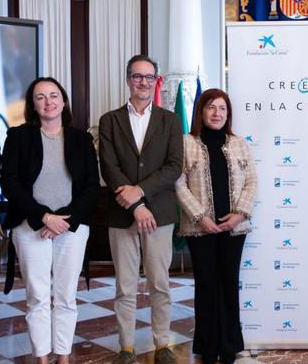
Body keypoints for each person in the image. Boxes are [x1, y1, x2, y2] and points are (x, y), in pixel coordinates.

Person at [0, 77, 98, 363]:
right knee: (38, 297)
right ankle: (42, 357)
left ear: (63, 101)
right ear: (33, 104)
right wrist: (43, 216)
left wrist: (64, 221)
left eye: (54, 95)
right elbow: (10, 183)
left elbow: (92, 185)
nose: (48, 102)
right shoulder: (18, 136)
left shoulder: (81, 139)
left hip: (71, 228)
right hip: (31, 226)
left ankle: (64, 355)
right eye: (40, 97)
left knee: (66, 296)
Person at [99, 55, 183, 364]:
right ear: (128, 80)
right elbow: (109, 167)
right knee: (125, 285)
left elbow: (174, 166)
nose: (143, 82)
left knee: (160, 283)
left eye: (149, 77)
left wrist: (142, 193)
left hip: (159, 213)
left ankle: (162, 344)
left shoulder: (170, 120)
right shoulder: (110, 120)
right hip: (122, 214)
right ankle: (127, 347)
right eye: (137, 76)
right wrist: (135, 204)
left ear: (156, 81)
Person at [175, 88, 256, 364]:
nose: (217, 113)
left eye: (222, 108)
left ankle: (230, 346)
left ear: (228, 113)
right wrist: (201, 216)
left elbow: (252, 181)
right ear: (201, 112)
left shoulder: (239, 143)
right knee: (206, 285)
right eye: (211, 107)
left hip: (234, 228)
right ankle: (208, 348)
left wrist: (240, 214)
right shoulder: (186, 142)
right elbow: (178, 183)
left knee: (229, 284)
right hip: (201, 229)